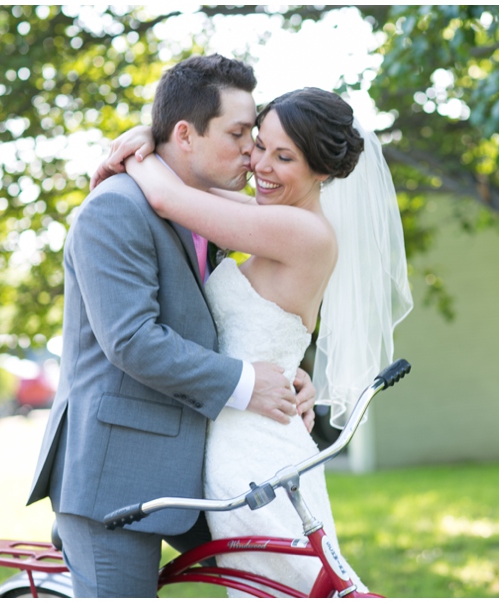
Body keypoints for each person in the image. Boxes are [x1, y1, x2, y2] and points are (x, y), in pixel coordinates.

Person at [97, 86, 413, 596]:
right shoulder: (268, 214)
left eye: (283, 156)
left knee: (286, 586)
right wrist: (150, 140)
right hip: (247, 429)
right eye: (259, 144)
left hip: (253, 452)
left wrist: (139, 150)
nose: (259, 163)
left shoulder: (304, 232)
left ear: (323, 173)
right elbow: (192, 181)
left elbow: (169, 196)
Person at [26, 55, 318, 598]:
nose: (252, 155)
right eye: (238, 135)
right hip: (116, 477)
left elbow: (227, 316)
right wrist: (251, 383)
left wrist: (288, 374)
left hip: (201, 469)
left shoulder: (205, 206)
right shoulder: (115, 208)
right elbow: (132, 340)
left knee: (290, 578)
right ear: (185, 134)